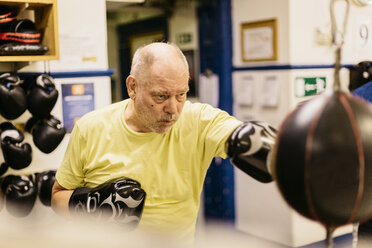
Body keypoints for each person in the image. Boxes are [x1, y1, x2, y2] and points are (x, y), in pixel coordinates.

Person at [51, 42, 276, 244]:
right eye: (160, 96)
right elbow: (57, 196)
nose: (173, 109)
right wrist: (91, 206)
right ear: (132, 87)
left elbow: (245, 137)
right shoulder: (91, 128)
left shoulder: (199, 121)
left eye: (181, 94)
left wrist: (279, 149)